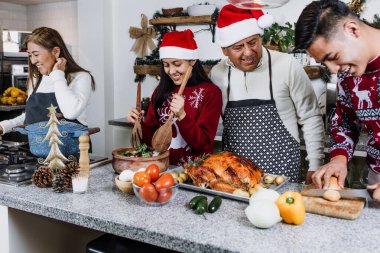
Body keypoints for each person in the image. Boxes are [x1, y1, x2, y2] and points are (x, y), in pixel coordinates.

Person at [209, 4, 325, 183]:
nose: (248, 53)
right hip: (236, 176)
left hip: (282, 173)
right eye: (238, 47)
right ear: (224, 50)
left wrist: (315, 165)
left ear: (260, 37)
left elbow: (310, 117)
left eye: (253, 42)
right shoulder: (217, 74)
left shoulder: (287, 65)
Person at [295, 0, 380, 200]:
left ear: (352, 29)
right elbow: (345, 122)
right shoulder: (347, 73)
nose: (333, 70)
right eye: (324, 63)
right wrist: (338, 159)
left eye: (333, 56)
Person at [127, 30, 222, 165]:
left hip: (193, 173)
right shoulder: (160, 91)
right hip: (160, 169)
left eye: (177, 64)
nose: (171, 71)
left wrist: (182, 116)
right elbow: (151, 143)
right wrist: (138, 124)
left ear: (193, 61)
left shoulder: (210, 93)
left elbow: (204, 147)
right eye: (166, 65)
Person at [0, 27, 95, 134]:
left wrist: (58, 74)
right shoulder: (36, 80)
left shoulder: (80, 77)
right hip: (38, 149)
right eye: (30, 55)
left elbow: (70, 113)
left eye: (36, 54)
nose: (32, 61)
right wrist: (4, 126)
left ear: (55, 51)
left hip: (74, 149)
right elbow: (30, 117)